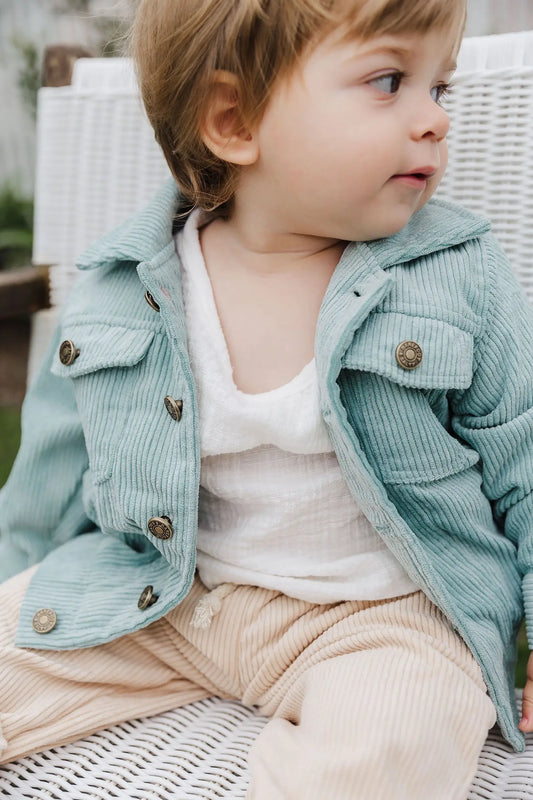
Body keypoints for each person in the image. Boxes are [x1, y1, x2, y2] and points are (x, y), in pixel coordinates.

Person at [1, 0, 532, 796]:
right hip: (162, 598)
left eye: (440, 88)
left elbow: (523, 462)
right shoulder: (122, 284)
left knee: (388, 748)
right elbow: (43, 485)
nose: (432, 121)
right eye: (390, 80)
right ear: (233, 119)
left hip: (377, 619)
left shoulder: (459, 274)